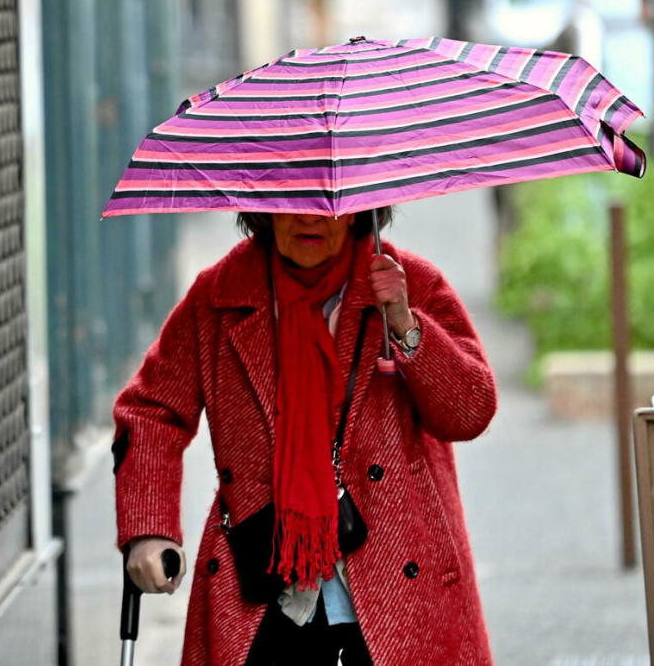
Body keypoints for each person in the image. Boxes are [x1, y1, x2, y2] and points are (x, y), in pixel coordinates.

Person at [113, 210, 496, 665]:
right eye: (289, 200)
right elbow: (151, 410)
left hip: (398, 583)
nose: (308, 219)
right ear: (261, 211)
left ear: (360, 209)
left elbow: (469, 413)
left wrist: (406, 324)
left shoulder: (411, 284)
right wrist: (148, 531)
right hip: (262, 579)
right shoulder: (220, 295)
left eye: (327, 204)